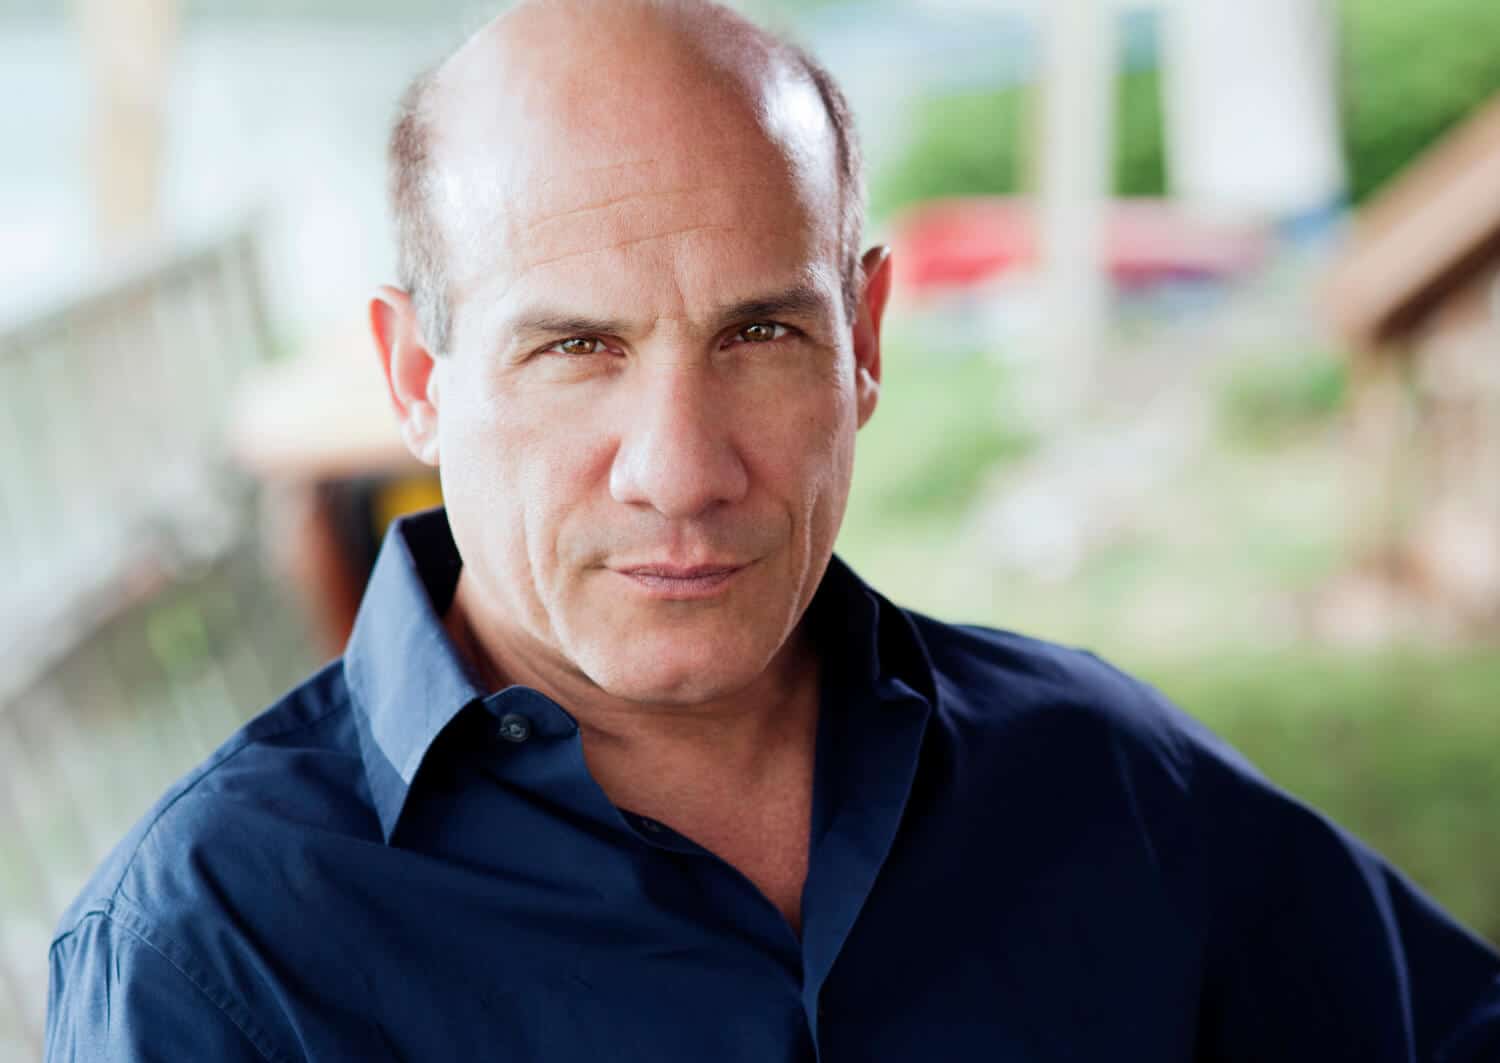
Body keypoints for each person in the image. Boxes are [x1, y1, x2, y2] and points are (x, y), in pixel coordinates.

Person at [45, 0, 1500, 1059]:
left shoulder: (1100, 775)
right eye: (576, 349)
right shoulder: (213, 956)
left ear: (864, 341)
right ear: (419, 378)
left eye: (758, 333)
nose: (680, 471)